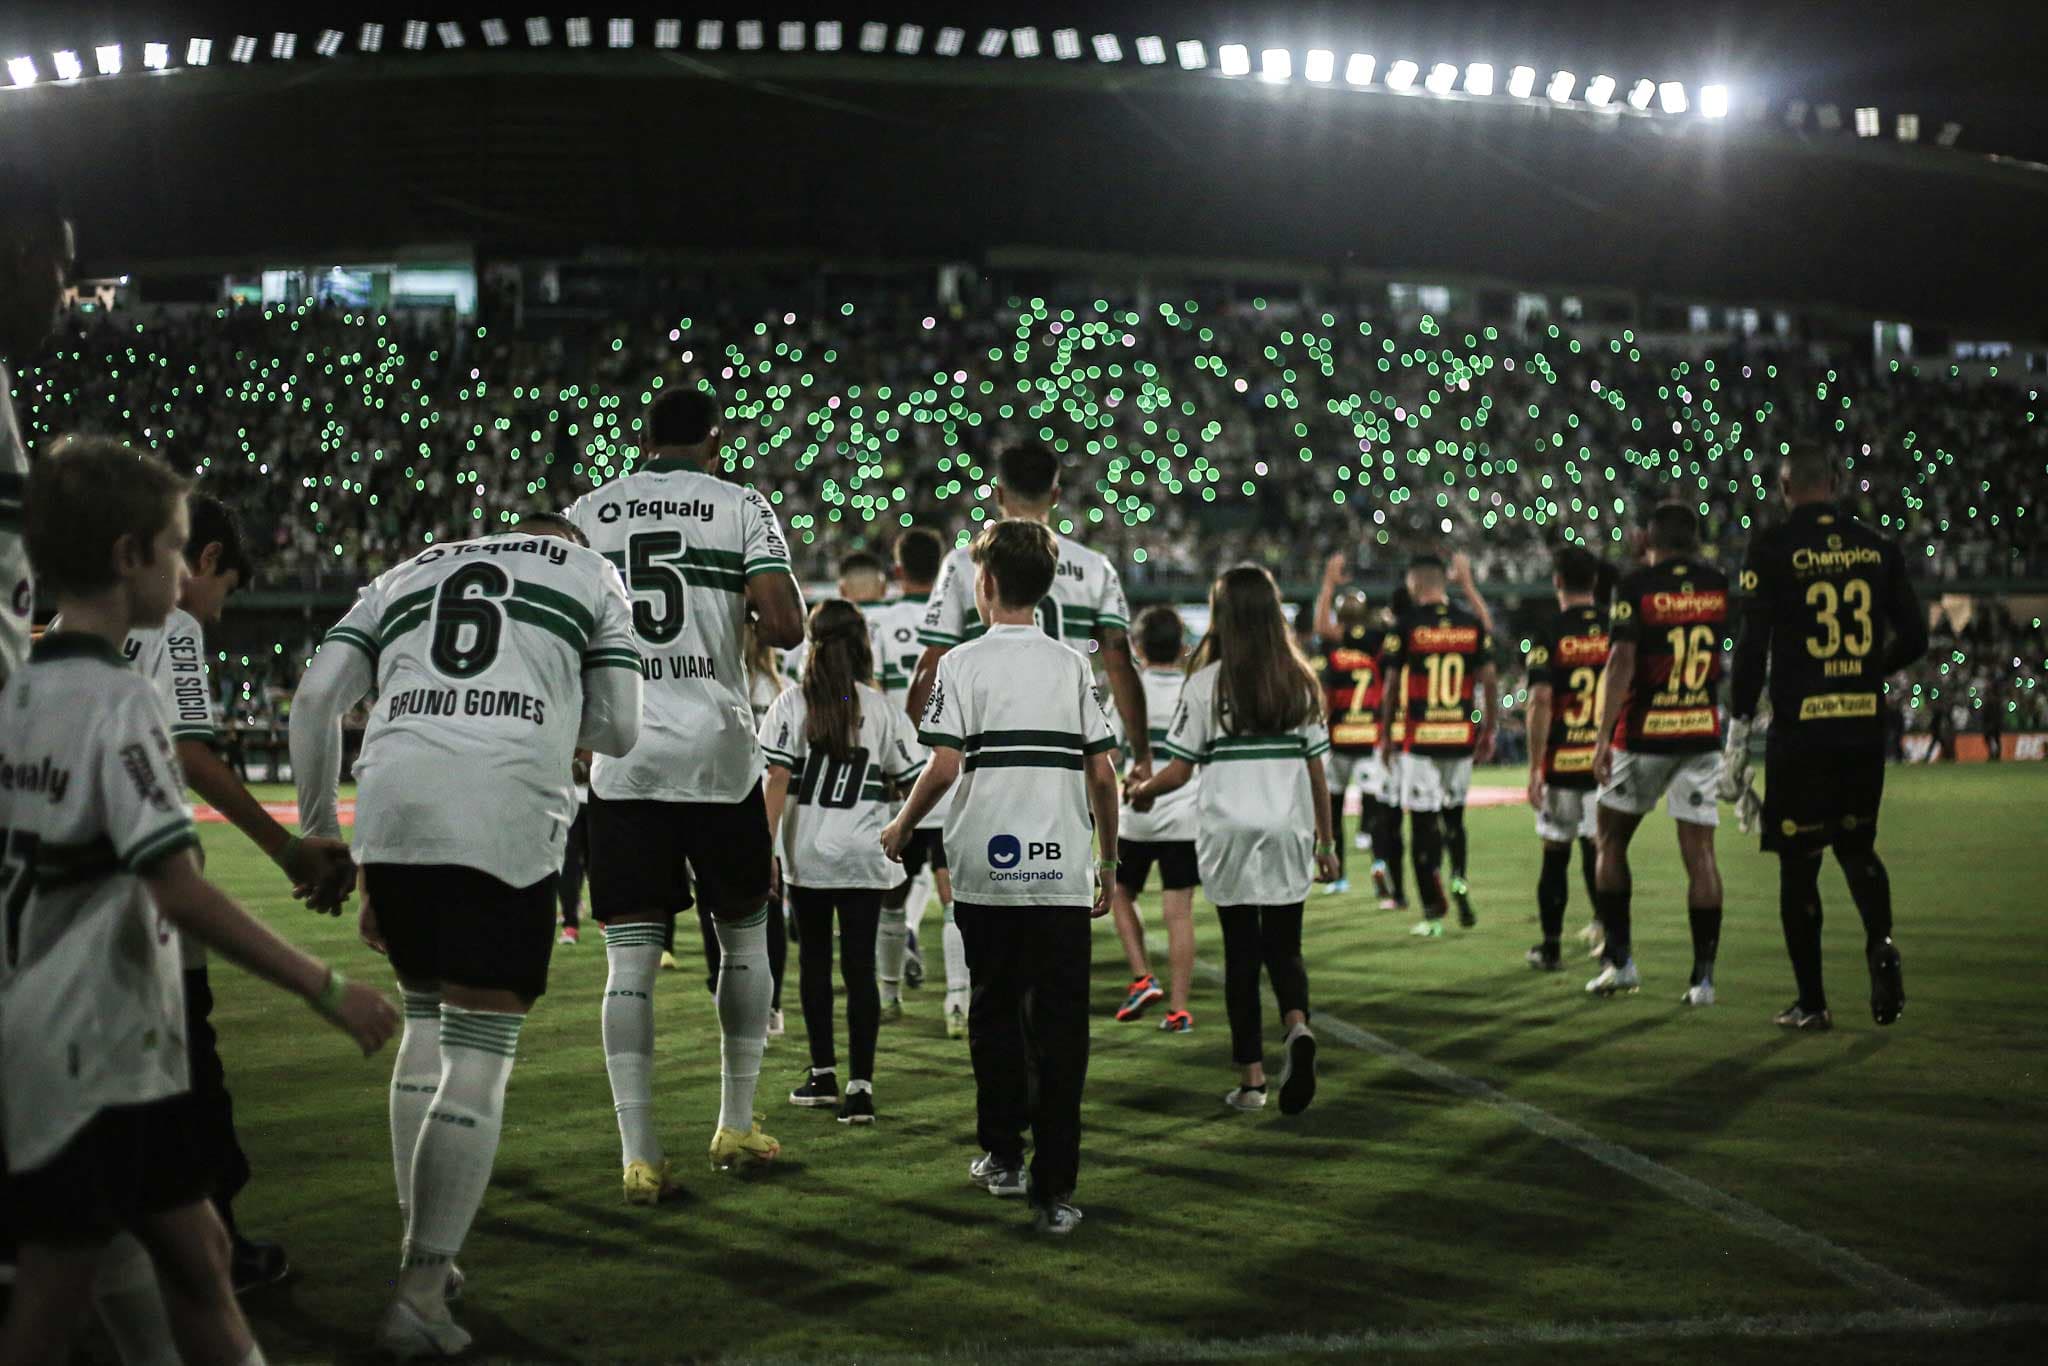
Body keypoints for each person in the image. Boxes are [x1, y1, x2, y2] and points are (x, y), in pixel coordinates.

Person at [2, 436, 395, 1366]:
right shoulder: (119, 700)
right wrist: (326, 987)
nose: (187, 578)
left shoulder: (17, 694)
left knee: (195, 1256)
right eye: (177, 551)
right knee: (58, 1300)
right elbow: (176, 889)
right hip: (96, 1040)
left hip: (50, 1027)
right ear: (132, 557)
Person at [290, 509, 642, 1355]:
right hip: (502, 805)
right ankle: (417, 1293)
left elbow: (312, 699)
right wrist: (548, 706)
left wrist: (316, 827)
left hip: (394, 807)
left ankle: (426, 1253)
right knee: (478, 1057)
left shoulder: (410, 568)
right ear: (569, 544)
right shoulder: (591, 575)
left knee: (423, 1021)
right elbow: (620, 728)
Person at [59, 493, 355, 1294]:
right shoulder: (173, 628)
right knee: (193, 1072)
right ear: (208, 561)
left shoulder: (63, 628)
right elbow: (192, 755)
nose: (218, 614)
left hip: (50, 899)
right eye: (224, 591)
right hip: (135, 891)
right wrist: (290, 848)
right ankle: (215, 1253)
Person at [565, 385, 805, 1198]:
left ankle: (639, 1155)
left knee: (628, 962)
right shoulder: (740, 504)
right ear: (714, 441)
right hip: (718, 752)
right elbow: (786, 625)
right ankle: (735, 1123)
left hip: (622, 753)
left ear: (643, 438)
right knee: (742, 937)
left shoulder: (589, 511)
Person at [882, 520, 1120, 1236]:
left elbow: (945, 763)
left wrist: (901, 825)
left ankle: (1003, 1158)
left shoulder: (961, 664)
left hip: (986, 870)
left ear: (983, 585)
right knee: (1060, 1031)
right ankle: (1056, 1191)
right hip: (1058, 876)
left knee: (993, 1018)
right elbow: (1102, 773)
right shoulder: (1072, 665)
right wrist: (1107, 860)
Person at [908, 441, 1146, 1039]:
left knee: (989, 928)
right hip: (1065, 755)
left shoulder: (966, 563)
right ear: (1058, 494)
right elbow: (1119, 661)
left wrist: (922, 742)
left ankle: (976, 1020)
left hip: (984, 759)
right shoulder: (1093, 567)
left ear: (996, 492)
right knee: (1054, 959)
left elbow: (930, 663)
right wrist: (1135, 751)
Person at [1722, 449, 1926, 1030]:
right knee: (1857, 847)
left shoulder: (1771, 548)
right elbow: (1914, 638)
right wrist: (1867, 670)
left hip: (1802, 731)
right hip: (1862, 724)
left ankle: (1813, 1003)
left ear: (1786, 487)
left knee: (1800, 864)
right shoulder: (1879, 548)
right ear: (1836, 483)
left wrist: (1738, 728)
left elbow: (1752, 645)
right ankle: (1880, 941)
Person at [1127, 567, 1338, 1113]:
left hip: (1227, 831)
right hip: (1289, 827)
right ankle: (1297, 1028)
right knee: (1285, 948)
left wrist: (1144, 793)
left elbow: (1179, 771)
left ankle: (1252, 1082)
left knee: (1242, 957)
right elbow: (1318, 773)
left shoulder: (1206, 683)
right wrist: (1327, 842)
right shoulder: (1300, 679)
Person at [763, 600, 926, 1123]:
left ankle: (823, 1073)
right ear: (862, 646)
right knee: (860, 970)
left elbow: (776, 781)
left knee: (814, 963)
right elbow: (914, 778)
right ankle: (860, 1087)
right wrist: (900, 824)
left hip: (808, 854)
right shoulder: (881, 710)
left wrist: (763, 849)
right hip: (864, 852)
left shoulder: (791, 704)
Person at [1589, 504, 1729, 1003]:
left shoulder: (1636, 587)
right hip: (1699, 730)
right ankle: (1703, 979)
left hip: (1645, 733)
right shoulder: (1717, 583)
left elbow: (1623, 659)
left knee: (1610, 842)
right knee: (1702, 856)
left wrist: (1602, 736)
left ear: (1649, 537)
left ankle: (1622, 964)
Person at [679, 620, 791, 1040]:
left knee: (713, 909)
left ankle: (721, 989)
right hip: (770, 810)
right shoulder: (780, 688)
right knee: (768, 911)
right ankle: (772, 1005)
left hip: (716, 804)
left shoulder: (711, 682)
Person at [1376, 554, 1498, 936]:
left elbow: (1393, 685)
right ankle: (1459, 875)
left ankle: (1432, 911)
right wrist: (1489, 729)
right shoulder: (1469, 623)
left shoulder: (1407, 625)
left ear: (1414, 583)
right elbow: (1490, 680)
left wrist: (1384, 734)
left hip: (1422, 738)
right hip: (1459, 737)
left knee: (1423, 826)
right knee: (1454, 817)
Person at [1108, 605, 1199, 1032]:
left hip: (1137, 814)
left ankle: (1142, 976)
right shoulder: (1194, 689)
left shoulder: (1131, 686)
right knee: (1178, 912)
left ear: (1138, 647)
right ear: (1183, 647)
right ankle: (1179, 1009)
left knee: (1120, 892)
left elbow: (1108, 752)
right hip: (1184, 811)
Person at [868, 530, 948, 1013]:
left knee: (891, 894)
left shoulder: (878, 621)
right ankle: (958, 1001)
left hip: (897, 775)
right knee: (954, 891)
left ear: (897, 571)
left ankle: (889, 995)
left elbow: (870, 693)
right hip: (951, 772)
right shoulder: (961, 622)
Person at [1522, 545, 1611, 971]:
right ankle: (1611, 939)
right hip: (1606, 761)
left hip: (1562, 761)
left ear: (1557, 581)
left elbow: (1540, 700)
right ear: (1594, 582)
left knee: (1555, 852)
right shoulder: (1616, 627)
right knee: (1603, 851)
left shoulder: (1549, 630)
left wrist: (1535, 767)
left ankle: (1551, 947)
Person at [1310, 554, 1389, 899]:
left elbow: (1320, 627)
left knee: (1334, 806)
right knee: (1376, 800)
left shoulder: (1334, 645)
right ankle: (1379, 859)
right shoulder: (1376, 641)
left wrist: (1328, 583)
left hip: (1340, 735)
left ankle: (1339, 874)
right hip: (1369, 733)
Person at [557, 751, 591, 944]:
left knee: (596, 863)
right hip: (570, 800)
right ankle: (570, 924)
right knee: (568, 864)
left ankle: (604, 919)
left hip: (600, 798)